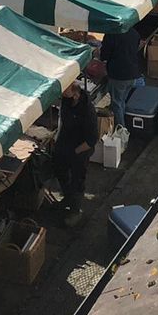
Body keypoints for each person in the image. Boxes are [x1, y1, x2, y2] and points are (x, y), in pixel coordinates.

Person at [53, 81, 98, 227]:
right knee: (60, 170)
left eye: (65, 90)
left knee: (77, 179)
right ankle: (67, 197)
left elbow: (92, 139)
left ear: (75, 93)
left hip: (80, 149)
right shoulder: (66, 100)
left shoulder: (87, 110)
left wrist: (75, 152)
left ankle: (75, 210)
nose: (62, 93)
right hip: (65, 143)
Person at [100, 26, 141, 129]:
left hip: (118, 76)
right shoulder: (134, 33)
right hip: (132, 74)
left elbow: (104, 55)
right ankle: (123, 124)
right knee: (121, 101)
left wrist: (97, 52)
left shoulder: (111, 35)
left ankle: (121, 130)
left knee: (117, 103)